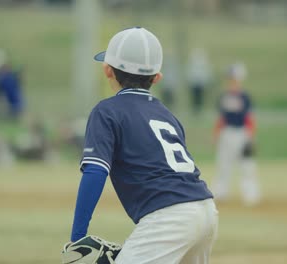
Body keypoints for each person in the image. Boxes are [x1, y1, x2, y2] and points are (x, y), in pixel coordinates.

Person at [68, 27, 217, 264]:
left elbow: (95, 171)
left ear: (107, 70)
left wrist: (77, 238)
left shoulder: (106, 111)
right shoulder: (166, 114)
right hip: (205, 209)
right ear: (157, 77)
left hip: (168, 218)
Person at [211, 63, 261, 206]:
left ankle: (251, 194)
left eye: (234, 78)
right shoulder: (224, 96)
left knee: (247, 165)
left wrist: (250, 136)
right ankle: (220, 192)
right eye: (230, 78)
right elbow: (221, 118)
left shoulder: (245, 97)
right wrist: (215, 134)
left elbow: (250, 118)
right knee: (223, 164)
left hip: (241, 133)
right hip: (226, 133)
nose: (231, 80)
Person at [187, 48, 211, 114]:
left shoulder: (201, 63)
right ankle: (195, 109)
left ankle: (199, 109)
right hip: (195, 83)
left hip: (200, 83)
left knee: (200, 97)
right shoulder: (194, 64)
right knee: (195, 97)